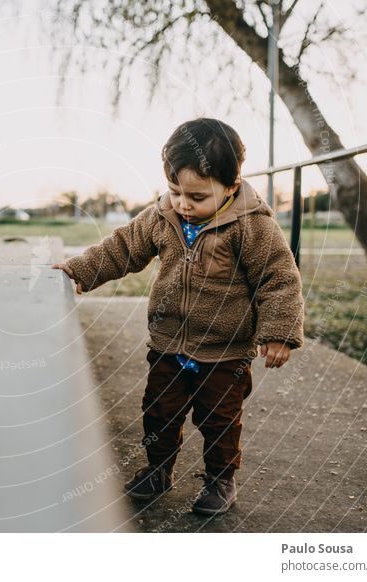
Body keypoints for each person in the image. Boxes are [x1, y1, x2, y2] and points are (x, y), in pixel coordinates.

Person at [52, 118, 304, 515]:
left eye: (197, 196)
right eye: (175, 192)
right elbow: (123, 248)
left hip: (225, 352)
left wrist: (279, 331)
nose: (184, 204)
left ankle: (221, 479)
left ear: (231, 187)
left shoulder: (252, 226)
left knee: (219, 421)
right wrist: (81, 270)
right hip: (169, 344)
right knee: (158, 412)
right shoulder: (163, 216)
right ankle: (158, 469)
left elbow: (279, 278)